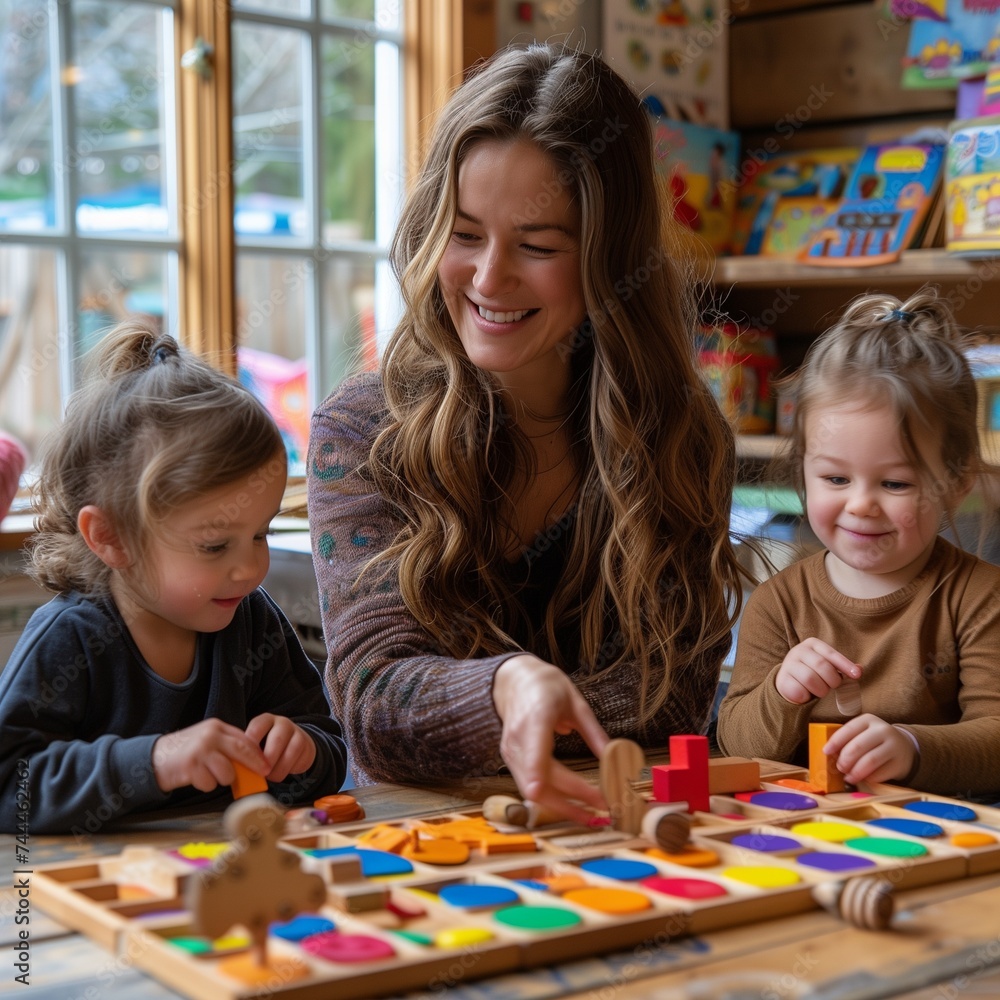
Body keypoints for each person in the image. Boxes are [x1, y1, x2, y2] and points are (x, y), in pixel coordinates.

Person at [308, 43, 745, 820]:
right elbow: (375, 708)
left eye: (538, 245)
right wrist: (508, 688)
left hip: (621, 835)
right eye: (465, 233)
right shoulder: (362, 429)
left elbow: (674, 697)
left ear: (609, 262)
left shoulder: (682, 433)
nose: (488, 278)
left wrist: (488, 702)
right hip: (425, 851)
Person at [0, 321, 347, 834]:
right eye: (214, 544)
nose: (249, 568)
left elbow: (329, 748)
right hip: (94, 893)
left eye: (261, 533)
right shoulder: (69, 639)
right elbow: (11, 787)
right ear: (111, 537)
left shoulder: (251, 619)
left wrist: (303, 752)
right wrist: (155, 761)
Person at [717, 290, 1000, 797]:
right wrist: (783, 691)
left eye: (895, 484)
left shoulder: (980, 598)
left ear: (957, 484)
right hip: (804, 835)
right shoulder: (778, 604)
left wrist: (913, 748)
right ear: (803, 470)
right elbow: (736, 742)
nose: (862, 505)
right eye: (835, 479)